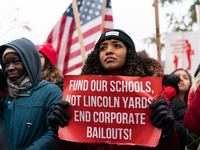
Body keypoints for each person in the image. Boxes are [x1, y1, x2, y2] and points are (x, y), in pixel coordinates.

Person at [48, 29, 181, 150]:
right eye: (103, 48)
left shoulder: (152, 96)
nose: (108, 51)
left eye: (117, 45)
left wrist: (167, 133)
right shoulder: (81, 97)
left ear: (130, 55)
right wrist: (60, 133)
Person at [0, 37, 62, 150]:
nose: (10, 68)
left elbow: (54, 133)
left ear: (30, 62)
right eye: (6, 64)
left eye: (16, 62)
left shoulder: (50, 91)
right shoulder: (6, 99)